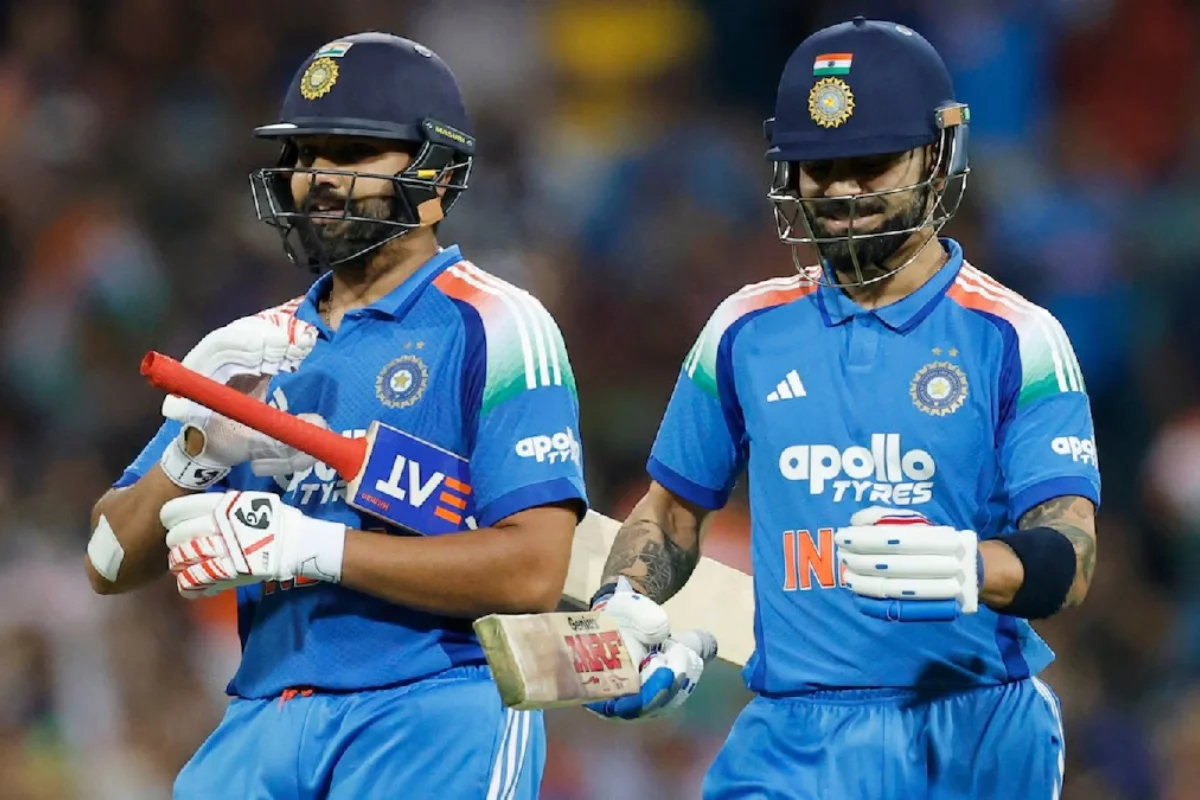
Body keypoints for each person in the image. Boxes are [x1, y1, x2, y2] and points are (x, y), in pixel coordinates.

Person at [588, 17, 1099, 800]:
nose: (842, 191)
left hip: (973, 731)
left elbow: (1071, 553)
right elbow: (672, 513)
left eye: (871, 165)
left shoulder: (1018, 338)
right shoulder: (743, 330)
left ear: (936, 157)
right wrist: (621, 603)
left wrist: (969, 568)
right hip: (791, 740)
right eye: (819, 168)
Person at [85, 32, 587, 799]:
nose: (318, 177)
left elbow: (532, 572)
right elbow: (106, 561)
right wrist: (196, 449)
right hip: (262, 716)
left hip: (432, 708)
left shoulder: (498, 326)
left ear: (437, 173)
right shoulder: (253, 348)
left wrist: (313, 547)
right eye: (305, 154)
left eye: (353, 153)